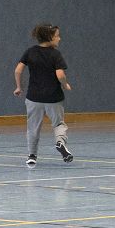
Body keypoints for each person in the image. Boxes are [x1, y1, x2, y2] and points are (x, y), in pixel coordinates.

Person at [14, 23, 73, 169]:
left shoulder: (30, 52)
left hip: (34, 97)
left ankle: (32, 156)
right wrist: (65, 84)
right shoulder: (55, 54)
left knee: (33, 127)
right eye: (57, 36)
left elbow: (18, 70)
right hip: (54, 97)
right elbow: (60, 74)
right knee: (59, 124)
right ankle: (60, 142)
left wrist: (19, 87)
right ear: (50, 37)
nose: (59, 38)